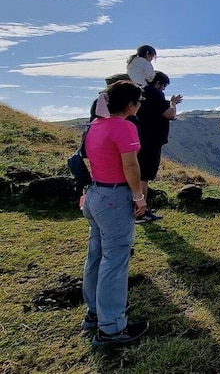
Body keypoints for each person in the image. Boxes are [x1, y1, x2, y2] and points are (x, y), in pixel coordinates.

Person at [81, 80, 149, 346]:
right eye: (139, 101)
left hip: (95, 194)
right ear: (130, 104)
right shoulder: (124, 126)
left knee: (96, 255)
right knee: (116, 260)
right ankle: (111, 328)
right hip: (114, 197)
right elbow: (130, 166)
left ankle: (94, 313)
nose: (140, 105)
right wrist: (139, 197)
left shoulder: (94, 125)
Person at [135, 71, 182, 224]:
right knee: (145, 176)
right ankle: (141, 211)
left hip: (140, 139)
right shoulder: (155, 94)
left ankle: (138, 208)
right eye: (163, 86)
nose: (163, 89)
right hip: (151, 140)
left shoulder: (141, 93)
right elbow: (169, 114)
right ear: (158, 83)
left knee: (140, 174)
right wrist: (173, 103)